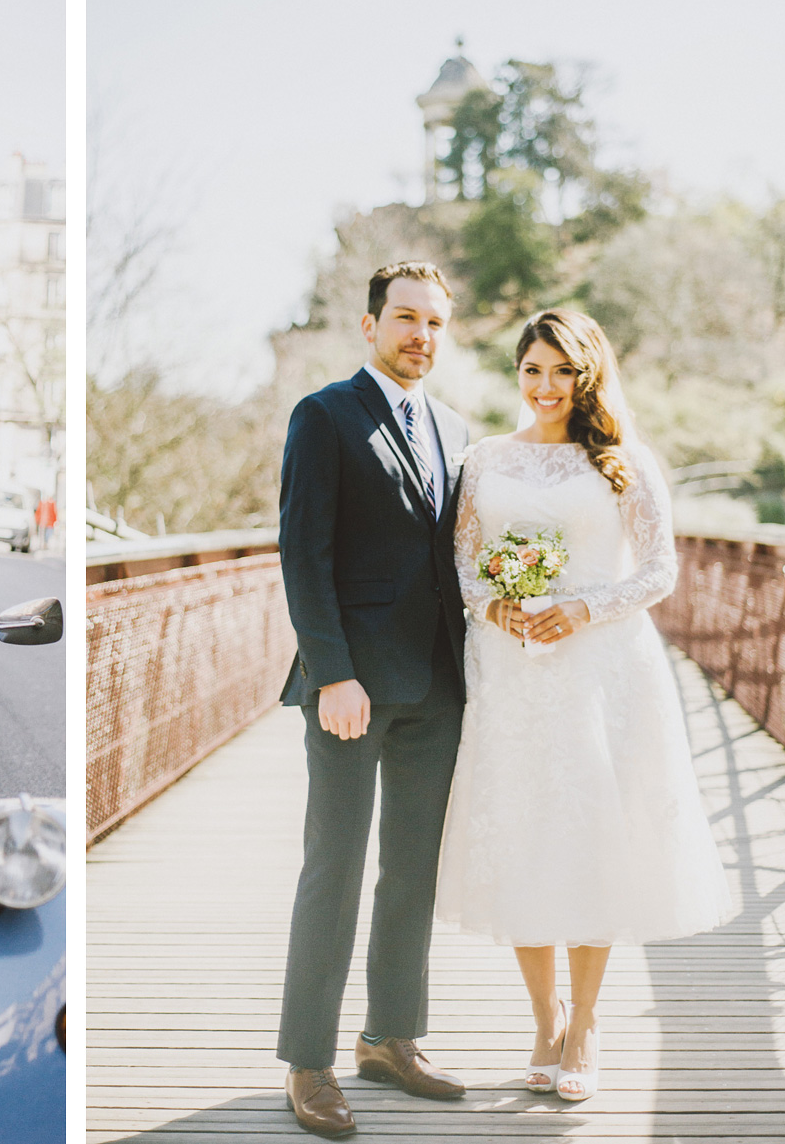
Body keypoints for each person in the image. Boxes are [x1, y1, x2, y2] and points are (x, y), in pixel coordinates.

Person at [438, 309, 733, 1102]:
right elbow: (463, 564)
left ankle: (589, 1019)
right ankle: (544, 1016)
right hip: (510, 671)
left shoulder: (626, 462)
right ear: (518, 372)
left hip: (599, 670)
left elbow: (660, 570)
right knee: (524, 831)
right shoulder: (483, 460)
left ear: (587, 374)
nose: (545, 386)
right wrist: (497, 608)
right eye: (532, 369)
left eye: (561, 371)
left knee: (592, 831)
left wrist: (583, 608)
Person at [275, 261, 470, 1138]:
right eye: (403, 318)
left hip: (438, 683)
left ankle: (391, 1037)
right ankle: (308, 1061)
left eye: (433, 321)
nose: (419, 334)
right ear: (368, 324)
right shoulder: (325, 415)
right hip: (350, 687)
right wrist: (331, 672)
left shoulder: (456, 429)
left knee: (411, 873)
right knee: (335, 870)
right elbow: (302, 554)